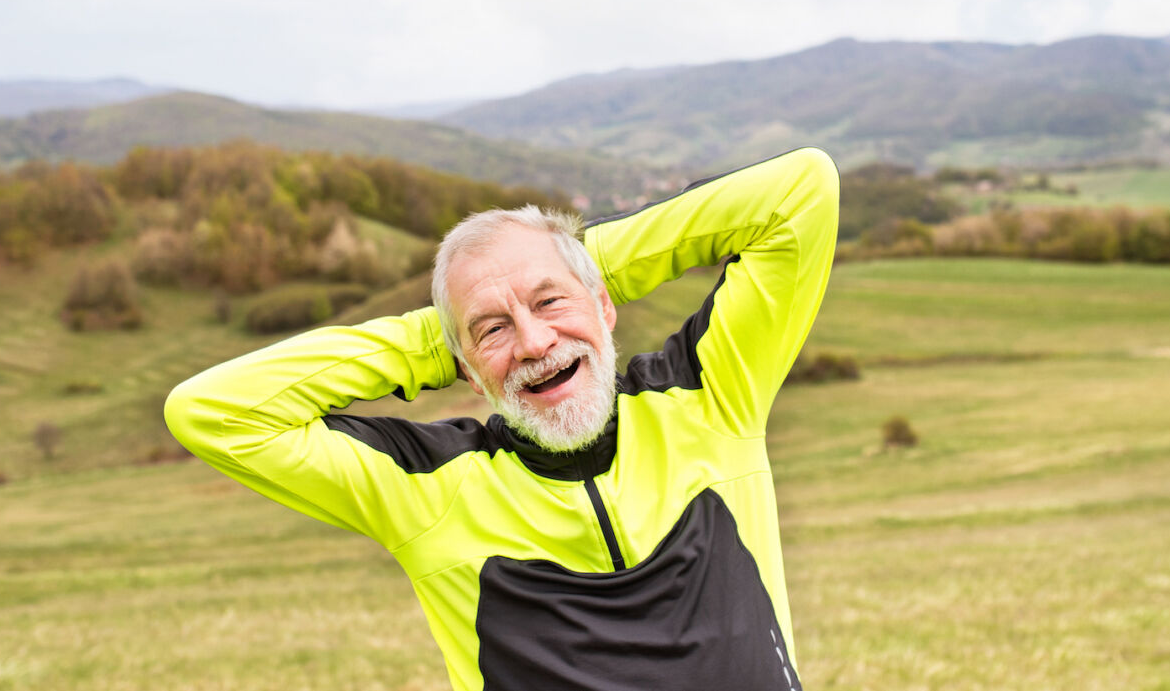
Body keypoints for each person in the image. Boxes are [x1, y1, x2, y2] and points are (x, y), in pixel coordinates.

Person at [165, 147, 838, 691]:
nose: (535, 344)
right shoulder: (425, 487)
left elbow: (800, 192)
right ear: (465, 368)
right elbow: (212, 413)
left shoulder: (708, 397)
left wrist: (570, 261)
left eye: (551, 303)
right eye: (493, 330)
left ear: (606, 305)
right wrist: (439, 339)